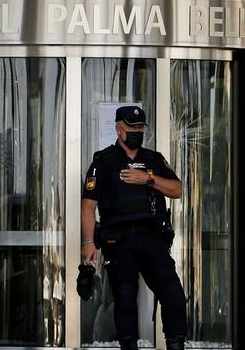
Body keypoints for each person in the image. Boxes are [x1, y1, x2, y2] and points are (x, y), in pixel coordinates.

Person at [81, 105, 187, 350]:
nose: (137, 131)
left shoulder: (154, 159)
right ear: (119, 129)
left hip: (153, 239)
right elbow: (88, 205)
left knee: (173, 296)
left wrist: (148, 179)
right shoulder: (104, 161)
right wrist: (88, 243)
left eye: (140, 127)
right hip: (119, 241)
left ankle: (176, 344)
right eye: (132, 127)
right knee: (125, 299)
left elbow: (177, 189)